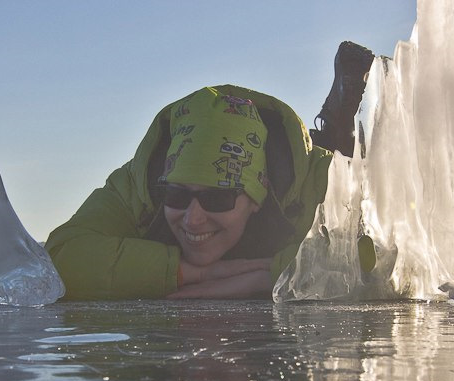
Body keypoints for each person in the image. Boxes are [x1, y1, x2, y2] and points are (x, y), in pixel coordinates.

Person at [45, 85, 331, 299]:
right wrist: (187, 273)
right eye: (177, 195)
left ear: (258, 196)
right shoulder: (137, 185)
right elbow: (60, 258)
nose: (193, 219)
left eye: (217, 198)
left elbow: (372, 254)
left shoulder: (326, 177)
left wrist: (272, 275)